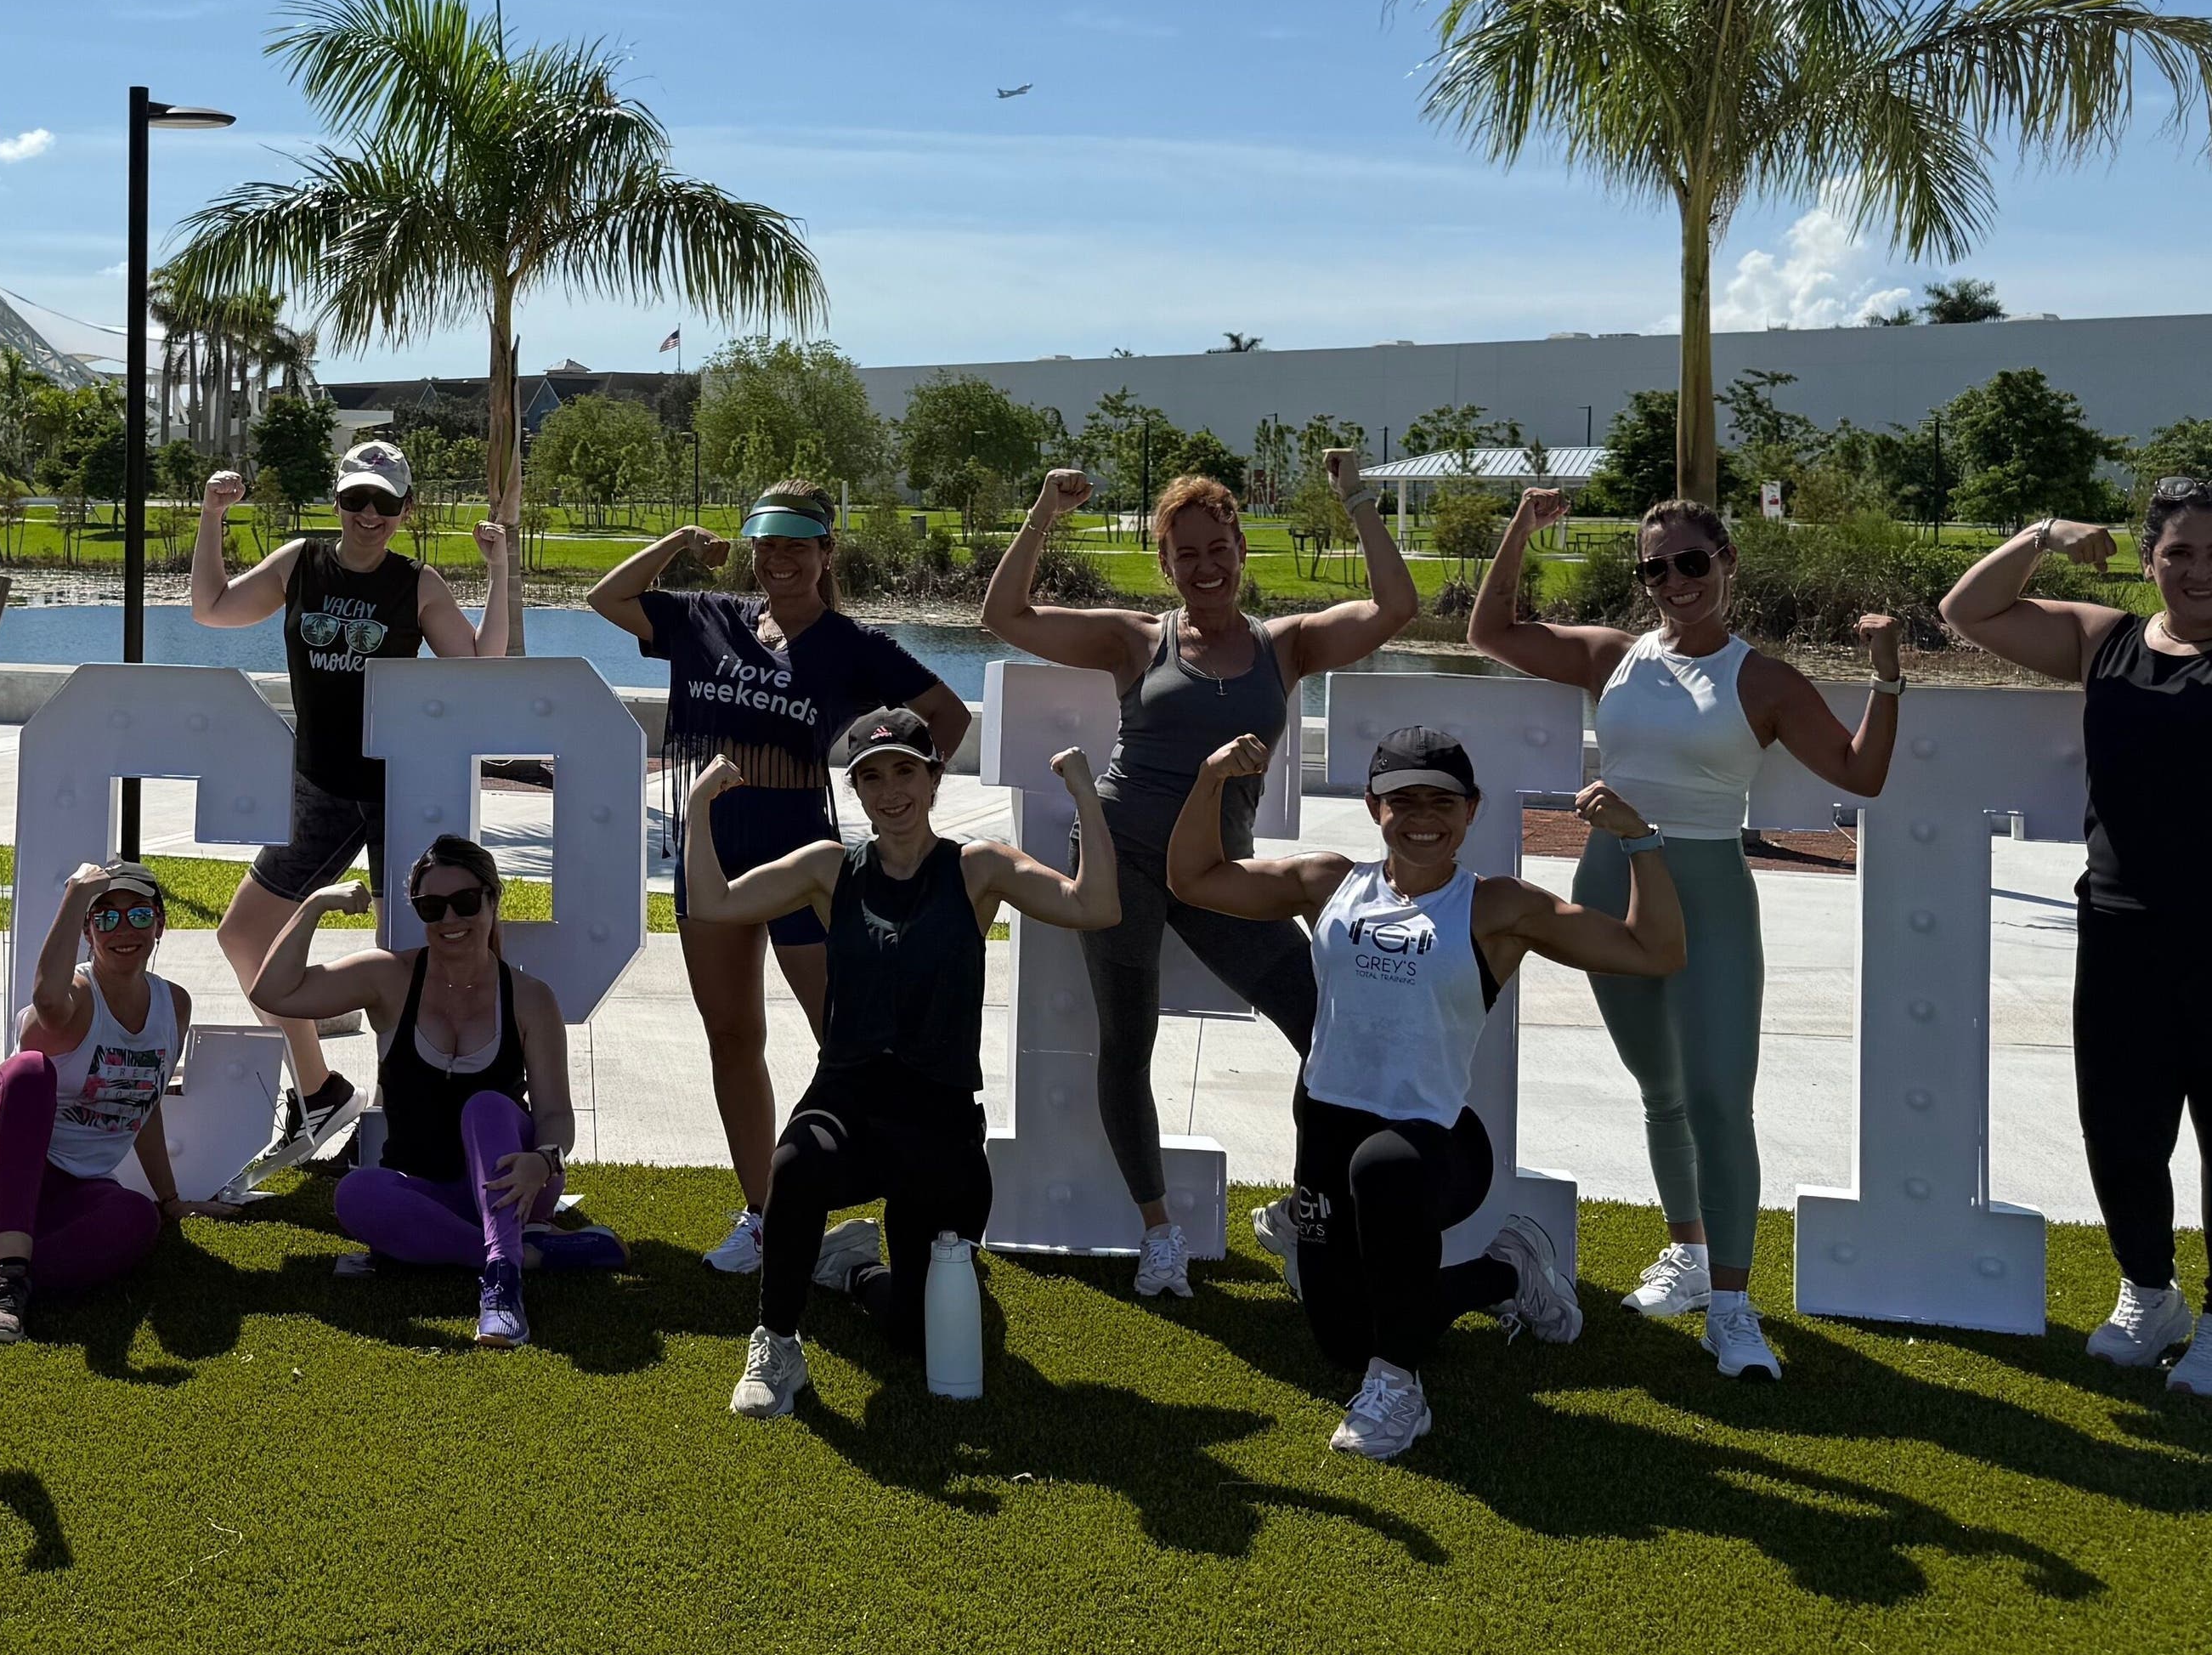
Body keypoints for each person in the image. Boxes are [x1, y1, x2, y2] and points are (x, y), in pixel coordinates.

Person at [1470, 489, 1904, 1380]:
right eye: (1655, 568)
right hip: (1611, 883)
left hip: (1709, 893)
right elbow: (1492, 631)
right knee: (1660, 1090)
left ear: (1727, 561)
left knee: (1717, 1098)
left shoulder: (1764, 679)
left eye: (1692, 562)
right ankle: (1691, 1256)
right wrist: (1521, 525)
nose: (1675, 581)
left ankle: (1734, 1310)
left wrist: (1887, 676)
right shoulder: (1613, 657)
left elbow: (1861, 773)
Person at [1169, 726, 1685, 1459]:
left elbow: (1656, 951)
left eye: (1441, 802)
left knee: (1382, 1180)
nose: (1422, 818)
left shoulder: (1496, 907)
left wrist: (1639, 840)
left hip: (1431, 1149)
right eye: (1402, 800)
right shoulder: (1328, 883)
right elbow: (1193, 880)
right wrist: (1209, 776)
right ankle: (1504, 1269)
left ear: (1471, 810)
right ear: (1372, 807)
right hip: (1327, 1134)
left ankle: (1399, 1389)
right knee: (1343, 1343)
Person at [978, 453, 1417, 1297]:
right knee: (1127, 1042)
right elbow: (1004, 614)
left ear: (1242, 548)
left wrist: (1358, 497)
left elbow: (1396, 607)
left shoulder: (1285, 646)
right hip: (1121, 857)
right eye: (1187, 554)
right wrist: (1043, 511)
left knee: (1327, 1033)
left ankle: (1303, 1210)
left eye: (1219, 548)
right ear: (1165, 563)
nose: (1206, 566)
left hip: (1218, 872)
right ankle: (1159, 1233)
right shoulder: (1136, 641)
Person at [686, 708, 1120, 1420]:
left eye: (905, 772)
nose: (891, 792)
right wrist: (700, 804)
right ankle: (778, 1344)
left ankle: (854, 1268)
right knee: (794, 1165)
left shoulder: (977, 869)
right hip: (847, 1100)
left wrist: (1084, 794)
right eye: (872, 778)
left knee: (916, 1338)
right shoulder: (829, 869)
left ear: (933, 778)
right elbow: (713, 901)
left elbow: (1095, 905)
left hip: (937, 1117)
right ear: (856, 790)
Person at [589, 483, 970, 1275]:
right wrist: (680, 542)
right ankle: (766, 1214)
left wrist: (898, 800)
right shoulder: (707, 617)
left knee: (855, 1040)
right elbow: (607, 598)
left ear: (827, 552)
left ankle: (927, 1202)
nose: (780, 560)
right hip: (712, 851)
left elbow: (947, 715)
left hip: (805, 852)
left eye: (798, 545)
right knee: (733, 1037)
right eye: (767, 545)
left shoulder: (852, 643)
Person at [1940, 485, 2212, 1394]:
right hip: (2120, 922)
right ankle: (2150, 1291)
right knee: (2121, 1124)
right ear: (2150, 560)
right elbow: (1967, 610)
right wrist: (2045, 534)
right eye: (2180, 552)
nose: (2199, 571)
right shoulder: (2109, 640)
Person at [189, 442, 512, 1193]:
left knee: (408, 961)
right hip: (321, 789)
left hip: (403, 790)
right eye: (356, 499)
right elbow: (211, 608)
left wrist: (500, 571)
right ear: (337, 501)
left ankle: (411, 1129)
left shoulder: (416, 582)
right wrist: (211, 516)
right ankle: (319, 1093)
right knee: (243, 935)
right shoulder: (301, 564)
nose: (369, 515)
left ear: (406, 510)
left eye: (385, 503)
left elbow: (479, 668)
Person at [246, 834, 621, 1349]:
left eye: (465, 902)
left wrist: (545, 1159)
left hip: (516, 1186)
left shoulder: (530, 998)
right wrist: (315, 905)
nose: (450, 919)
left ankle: (502, 1288)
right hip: (428, 1193)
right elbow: (272, 992)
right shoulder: (389, 977)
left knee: (486, 1107)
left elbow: (556, 1113)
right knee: (355, 1193)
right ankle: (527, 1254)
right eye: (431, 907)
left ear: (492, 900)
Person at [0, 859, 234, 1346]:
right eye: (106, 917)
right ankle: (7, 1280)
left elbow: (144, 1103)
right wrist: (76, 892)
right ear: (87, 931)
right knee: (30, 1071)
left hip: (57, 1202)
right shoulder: (74, 997)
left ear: (160, 925)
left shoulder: (174, 1005)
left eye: (140, 915)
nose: (124, 930)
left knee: (138, 1218)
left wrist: (170, 1201)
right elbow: (48, 1002)